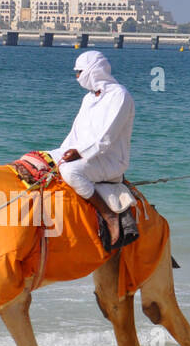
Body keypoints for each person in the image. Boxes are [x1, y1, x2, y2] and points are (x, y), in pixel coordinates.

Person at [50, 50, 133, 245]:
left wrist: (78, 153)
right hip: (85, 155)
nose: (77, 77)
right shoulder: (88, 99)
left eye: (79, 72)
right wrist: (59, 154)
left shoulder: (119, 95)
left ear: (93, 70)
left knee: (70, 172)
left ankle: (109, 215)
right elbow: (75, 134)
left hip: (110, 159)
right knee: (40, 158)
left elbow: (107, 137)